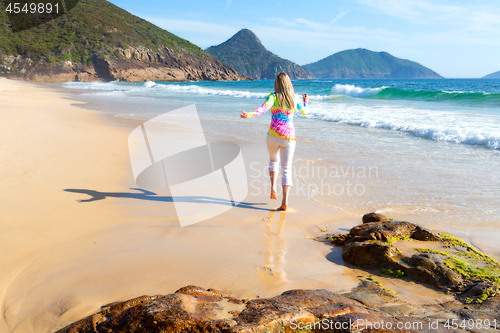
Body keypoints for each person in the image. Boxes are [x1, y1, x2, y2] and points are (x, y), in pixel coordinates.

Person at [240, 72, 308, 211]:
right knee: (286, 169)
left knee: (273, 161)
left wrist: (249, 114)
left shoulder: (273, 97)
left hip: (272, 135)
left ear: (277, 83)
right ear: (289, 83)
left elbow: (262, 109)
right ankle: (284, 202)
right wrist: (305, 101)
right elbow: (304, 112)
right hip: (288, 137)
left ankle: (272, 188)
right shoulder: (294, 98)